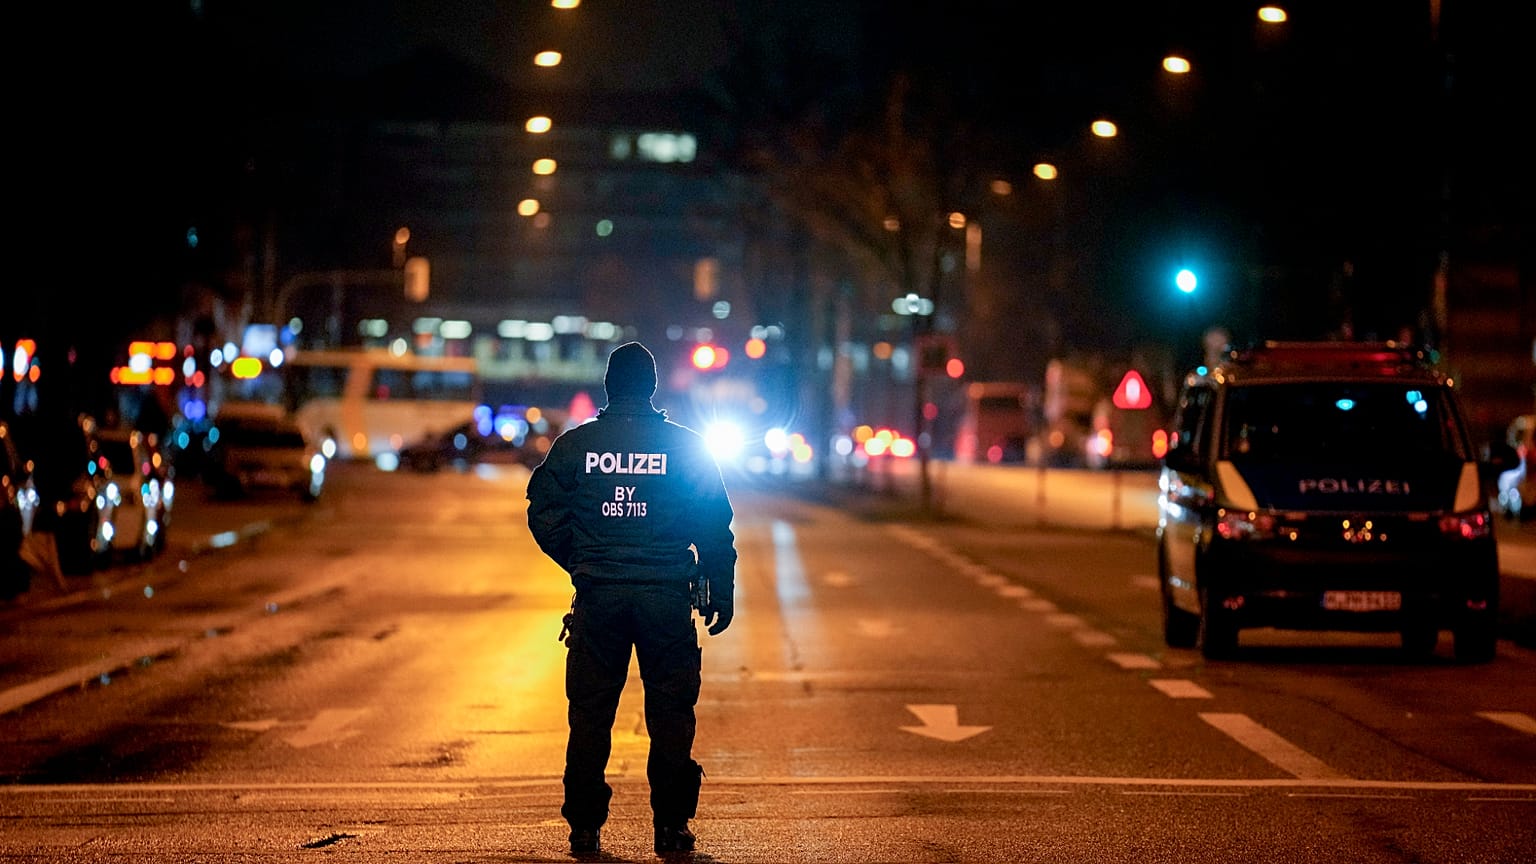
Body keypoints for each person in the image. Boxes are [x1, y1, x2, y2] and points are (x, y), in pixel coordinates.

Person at [525, 341, 737, 856]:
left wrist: (581, 558)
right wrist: (720, 587)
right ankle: (671, 826)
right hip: (665, 597)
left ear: (608, 386)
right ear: (652, 387)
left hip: (600, 599)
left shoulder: (576, 446)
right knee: (670, 713)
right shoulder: (685, 447)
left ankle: (584, 827)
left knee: (591, 714)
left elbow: (542, 509)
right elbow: (713, 522)